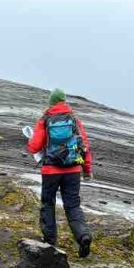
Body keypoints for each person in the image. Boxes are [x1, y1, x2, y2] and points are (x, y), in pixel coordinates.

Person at [26, 88, 93, 257]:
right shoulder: (74, 120)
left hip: (51, 171)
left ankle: (49, 242)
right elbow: (84, 146)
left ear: (51, 102)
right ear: (64, 101)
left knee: (48, 204)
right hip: (73, 170)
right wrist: (87, 170)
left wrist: (32, 143)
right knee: (73, 205)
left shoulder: (45, 119)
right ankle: (83, 236)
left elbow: (34, 146)